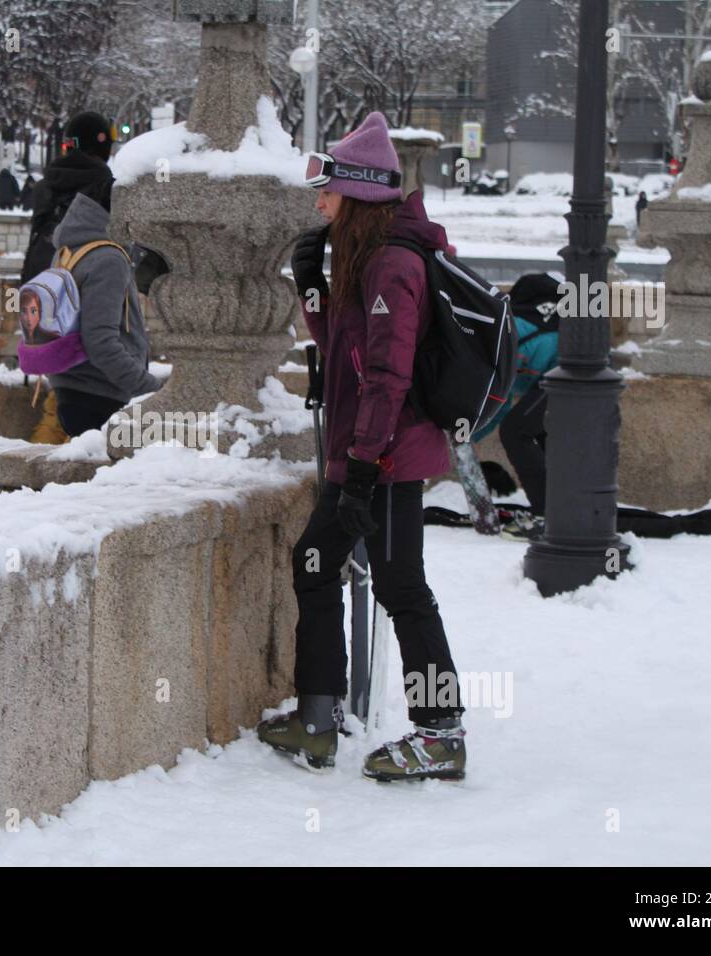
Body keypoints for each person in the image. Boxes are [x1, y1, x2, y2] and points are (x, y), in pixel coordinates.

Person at [256, 111, 466, 782]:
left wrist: (363, 470)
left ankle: (439, 732)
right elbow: (343, 351)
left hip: (385, 457)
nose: (320, 203)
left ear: (358, 193)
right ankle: (319, 717)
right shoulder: (369, 258)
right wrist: (313, 287)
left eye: (328, 190)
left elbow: (386, 377)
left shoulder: (395, 265)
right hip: (369, 454)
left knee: (399, 586)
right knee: (321, 564)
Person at [42, 192, 160, 436]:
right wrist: (151, 388)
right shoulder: (109, 259)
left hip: (71, 389)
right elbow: (100, 342)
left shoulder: (69, 249)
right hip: (102, 397)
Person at [472, 272, 562, 539]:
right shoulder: (515, 328)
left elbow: (498, 402)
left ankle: (549, 516)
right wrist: (469, 437)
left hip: (574, 372)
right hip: (579, 372)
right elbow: (502, 401)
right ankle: (561, 509)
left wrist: (467, 437)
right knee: (538, 431)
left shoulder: (504, 333)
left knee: (516, 430)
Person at [20, 112, 115, 283]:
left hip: (39, 284)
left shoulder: (44, 187)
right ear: (102, 145)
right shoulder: (108, 190)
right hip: (85, 286)